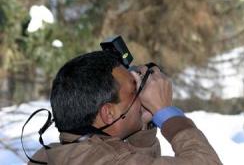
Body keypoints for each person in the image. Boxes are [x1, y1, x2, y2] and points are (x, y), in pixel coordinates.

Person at [29, 51, 222, 164]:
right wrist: (167, 114)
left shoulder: (50, 156)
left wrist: (142, 123)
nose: (141, 93)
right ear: (108, 113)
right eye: (133, 90)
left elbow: (133, 158)